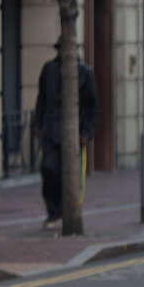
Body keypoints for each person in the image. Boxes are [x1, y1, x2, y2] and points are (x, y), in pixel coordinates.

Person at [32, 38, 99, 229]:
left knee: (72, 174)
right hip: (51, 130)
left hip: (75, 133)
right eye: (62, 49)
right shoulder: (48, 70)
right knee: (47, 167)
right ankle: (54, 209)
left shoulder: (85, 73)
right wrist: (38, 124)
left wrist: (88, 131)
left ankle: (70, 210)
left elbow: (94, 106)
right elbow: (42, 99)